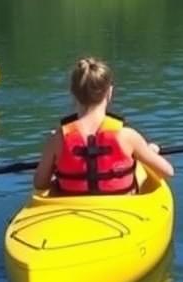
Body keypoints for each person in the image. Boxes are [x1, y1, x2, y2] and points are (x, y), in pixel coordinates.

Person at [33, 58, 174, 194]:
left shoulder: (57, 138)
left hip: (71, 210)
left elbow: (40, 184)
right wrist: (150, 150)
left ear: (73, 93)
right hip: (120, 211)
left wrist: (56, 168)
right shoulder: (127, 136)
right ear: (109, 92)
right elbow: (168, 172)